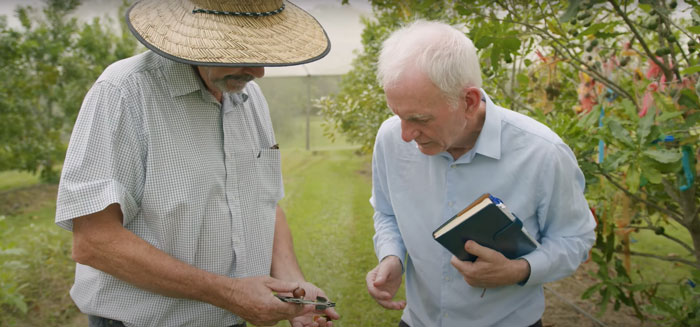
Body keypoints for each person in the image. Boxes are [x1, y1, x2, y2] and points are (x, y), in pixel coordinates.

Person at [55, 1, 340, 326]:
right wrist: (229, 294)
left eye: (263, 55)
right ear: (198, 37)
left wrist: (295, 289)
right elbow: (94, 242)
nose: (259, 72)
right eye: (243, 52)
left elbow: (264, 205)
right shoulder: (125, 92)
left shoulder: (250, 98)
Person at [365, 20, 596, 327]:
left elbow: (575, 238)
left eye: (420, 119)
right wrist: (391, 256)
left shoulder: (543, 152)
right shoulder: (390, 138)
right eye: (398, 116)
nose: (406, 134)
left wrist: (519, 269)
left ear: (469, 101)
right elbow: (386, 213)